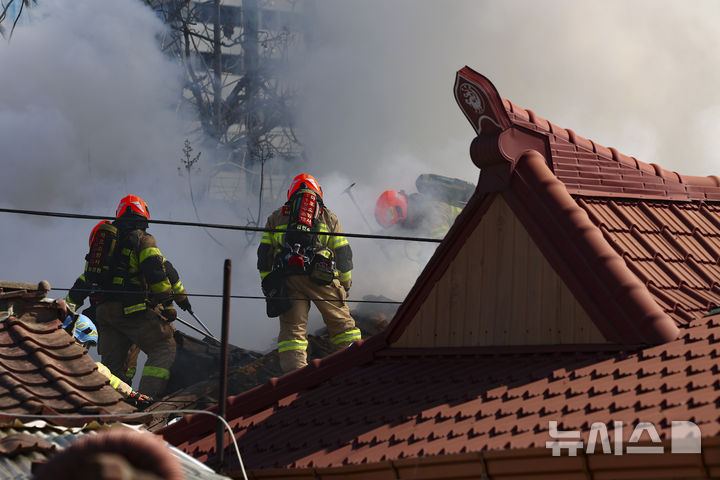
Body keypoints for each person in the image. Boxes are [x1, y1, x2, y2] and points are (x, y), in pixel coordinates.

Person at [88, 195, 192, 399]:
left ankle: (112, 405)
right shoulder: (143, 239)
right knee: (164, 345)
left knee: (114, 369)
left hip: (104, 313)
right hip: (131, 309)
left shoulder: (108, 240)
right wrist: (168, 304)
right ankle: (147, 401)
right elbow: (155, 272)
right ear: (144, 213)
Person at [257, 173, 361, 373]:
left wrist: (268, 285)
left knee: (292, 333)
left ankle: (295, 376)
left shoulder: (276, 217)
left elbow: (264, 256)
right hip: (322, 276)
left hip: (289, 279)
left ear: (291, 192)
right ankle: (353, 367)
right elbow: (344, 255)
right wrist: (345, 286)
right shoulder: (328, 216)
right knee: (343, 327)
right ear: (318, 192)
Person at [62, 313, 154, 410]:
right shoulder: (72, 360)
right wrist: (131, 394)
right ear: (75, 337)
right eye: (84, 344)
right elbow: (96, 371)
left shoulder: (53, 350)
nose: (85, 349)